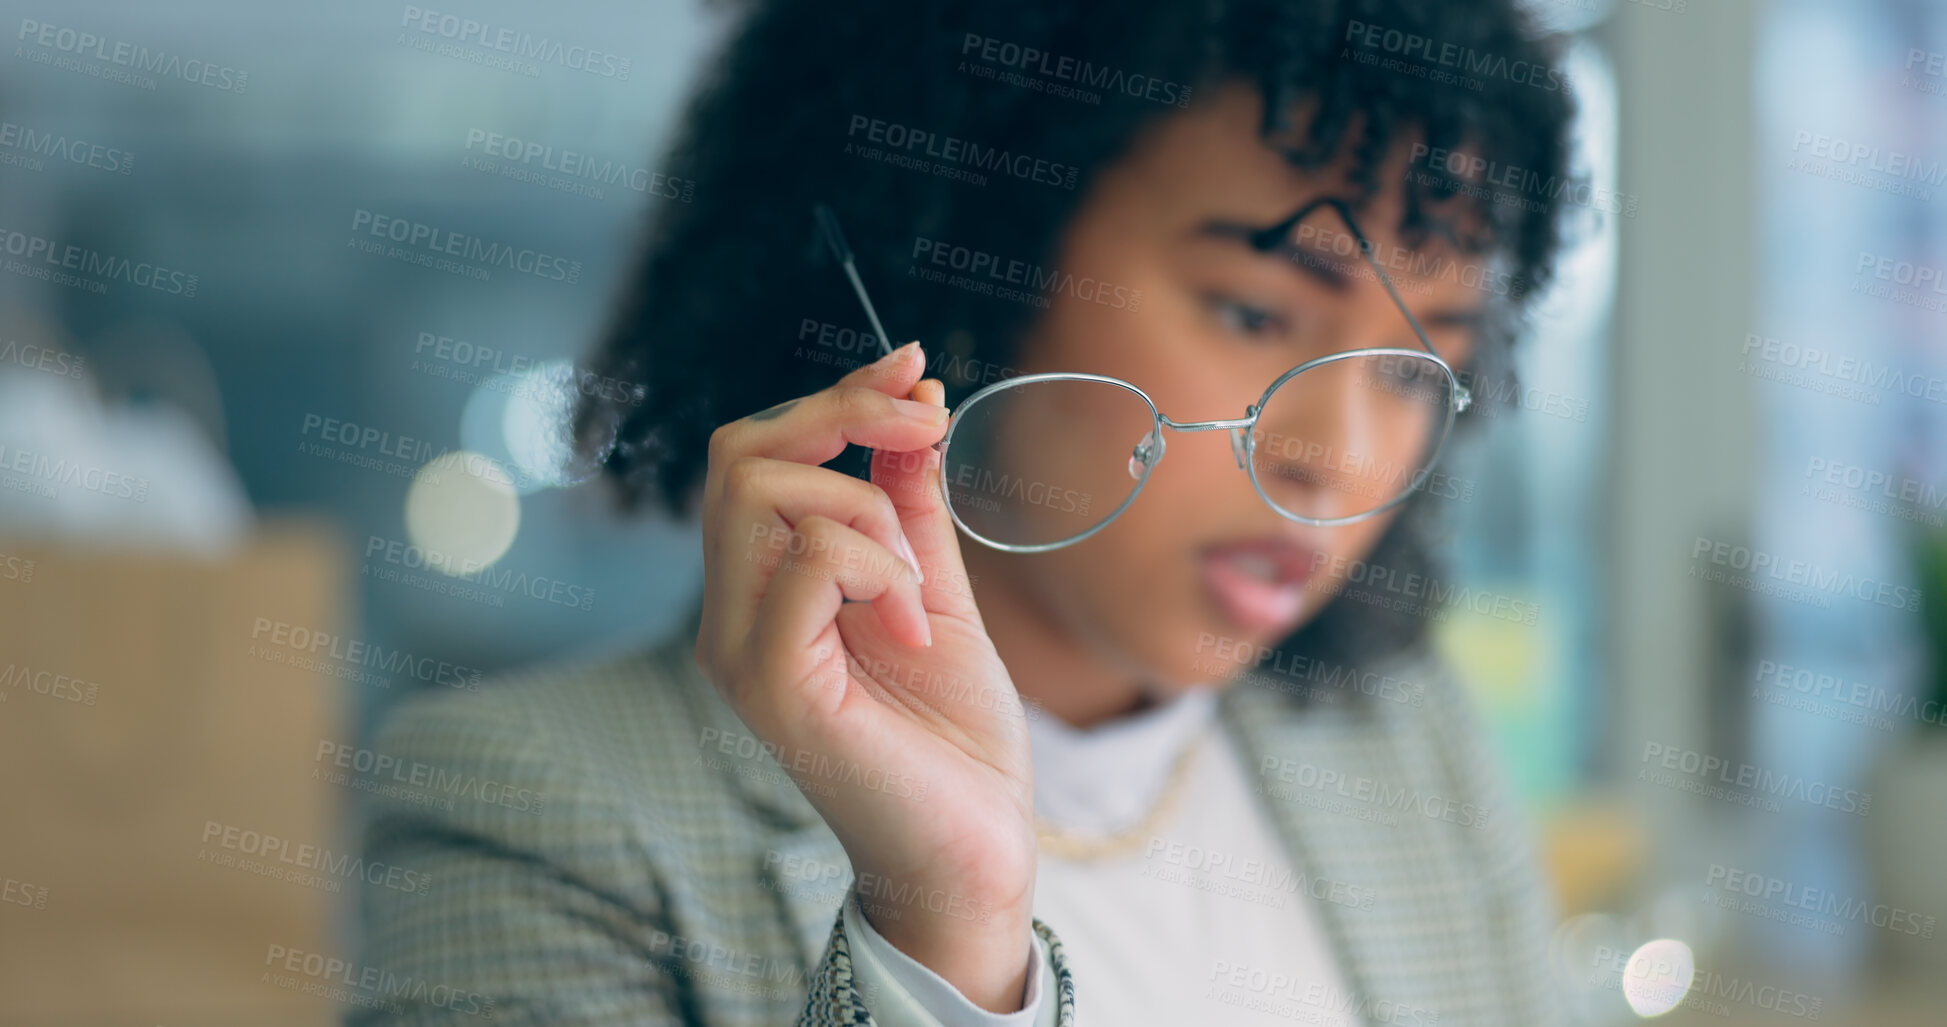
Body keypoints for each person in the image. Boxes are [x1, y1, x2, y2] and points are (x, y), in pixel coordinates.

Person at [351, 0, 1576, 1023]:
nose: (1341, 460)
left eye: (1417, 369)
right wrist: (944, 930)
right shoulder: (531, 818)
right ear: (965, 264)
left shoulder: (1402, 740)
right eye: (1255, 315)